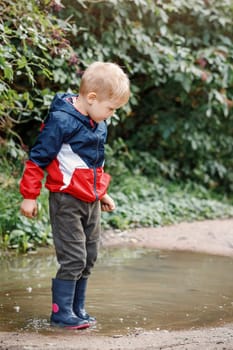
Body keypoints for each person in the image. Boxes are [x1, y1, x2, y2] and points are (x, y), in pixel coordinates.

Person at [19, 61, 130, 330]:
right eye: (111, 108)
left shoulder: (98, 123)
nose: (111, 115)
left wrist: (102, 193)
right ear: (92, 98)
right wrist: (29, 195)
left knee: (90, 255)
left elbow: (94, 164)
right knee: (74, 258)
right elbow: (37, 160)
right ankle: (60, 313)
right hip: (66, 200)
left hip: (90, 200)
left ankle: (76, 309)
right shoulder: (61, 121)